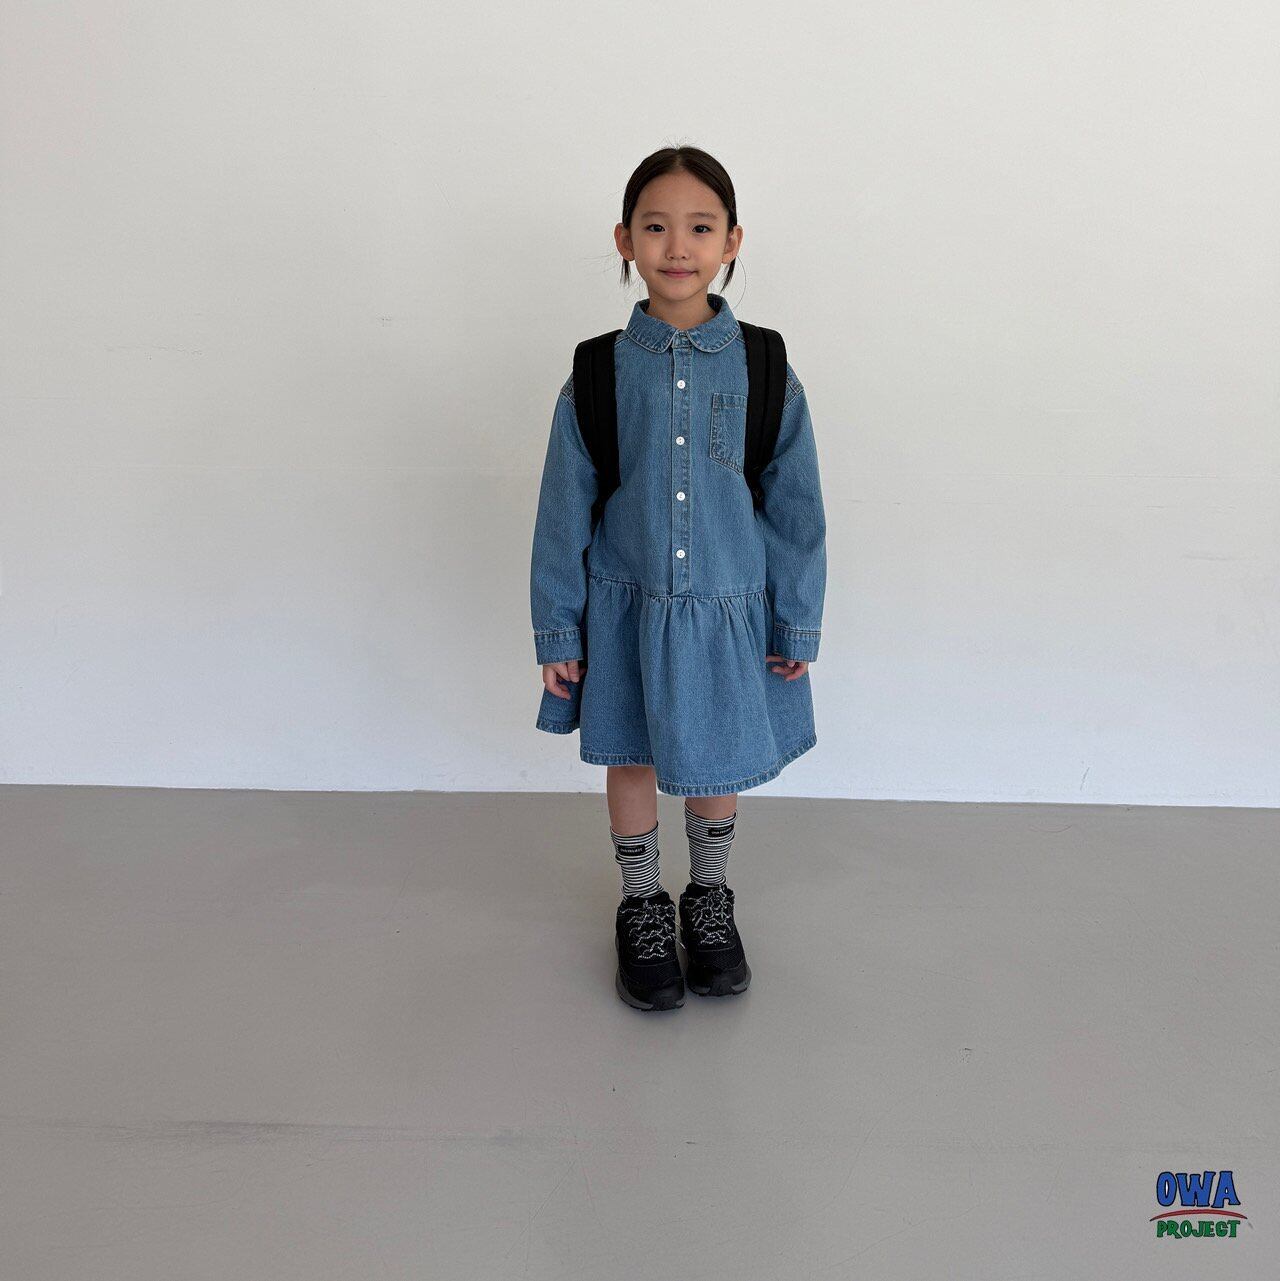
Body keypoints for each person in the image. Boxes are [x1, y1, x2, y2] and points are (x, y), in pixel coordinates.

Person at [529, 145, 827, 1011]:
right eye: (655, 227)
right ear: (625, 240)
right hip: (627, 611)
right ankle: (642, 904)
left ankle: (707, 896)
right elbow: (563, 510)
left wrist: (796, 620)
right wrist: (559, 627)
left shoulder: (765, 366)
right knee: (630, 754)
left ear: (732, 240)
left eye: (700, 227)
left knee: (714, 758)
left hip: (729, 613)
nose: (677, 246)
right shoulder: (596, 372)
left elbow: (797, 507)